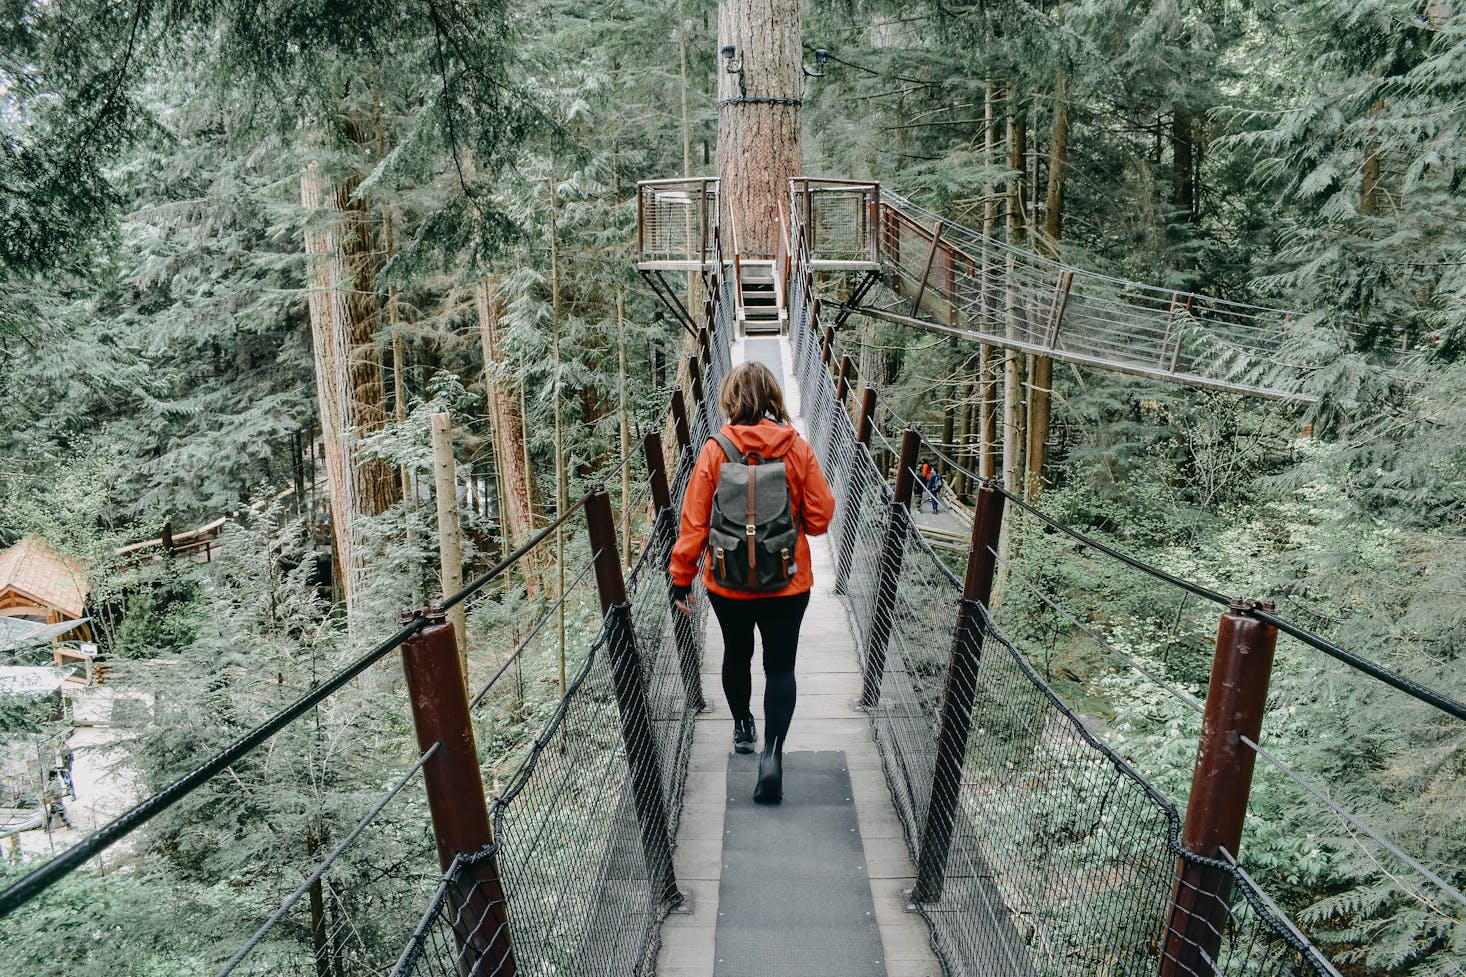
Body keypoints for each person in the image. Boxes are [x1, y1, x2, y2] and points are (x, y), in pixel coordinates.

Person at [669, 361, 835, 804]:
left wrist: (680, 579)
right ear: (774, 398)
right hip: (787, 584)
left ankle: (743, 727)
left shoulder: (714, 450)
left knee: (736, 655)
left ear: (730, 400)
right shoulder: (796, 448)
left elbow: (694, 523)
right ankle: (773, 754)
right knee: (780, 667)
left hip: (728, 584)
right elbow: (820, 519)